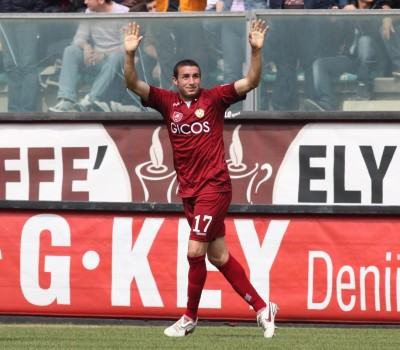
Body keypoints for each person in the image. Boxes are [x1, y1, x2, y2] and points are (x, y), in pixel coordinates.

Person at [124, 20, 279, 338]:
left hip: (215, 185)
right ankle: (263, 308)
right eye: (186, 77)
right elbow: (133, 84)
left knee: (195, 251)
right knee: (218, 254)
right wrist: (129, 56)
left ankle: (189, 317)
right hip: (190, 191)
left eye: (196, 76)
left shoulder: (216, 98)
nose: (192, 81)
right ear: (175, 81)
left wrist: (256, 51)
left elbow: (251, 81)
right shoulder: (167, 103)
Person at [304, 0, 391, 111]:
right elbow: (334, 38)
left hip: (374, 61)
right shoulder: (347, 9)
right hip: (352, 59)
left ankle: (363, 88)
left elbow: (374, 34)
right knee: (320, 64)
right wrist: (337, 19)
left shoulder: (380, 8)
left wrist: (357, 16)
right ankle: (327, 102)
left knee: (364, 41)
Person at [48, 0, 129, 112]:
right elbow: (78, 38)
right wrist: (86, 47)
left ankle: (90, 100)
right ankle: (66, 99)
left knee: (117, 56)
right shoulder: (89, 12)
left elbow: (127, 46)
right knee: (71, 50)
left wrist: (105, 54)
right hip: (96, 60)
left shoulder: (123, 12)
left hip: (118, 66)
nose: (85, 2)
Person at [0, 0, 52, 112]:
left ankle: (27, 110)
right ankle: (13, 110)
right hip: (4, 19)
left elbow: (42, 4)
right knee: (10, 66)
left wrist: (33, 14)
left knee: (27, 65)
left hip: (27, 19)